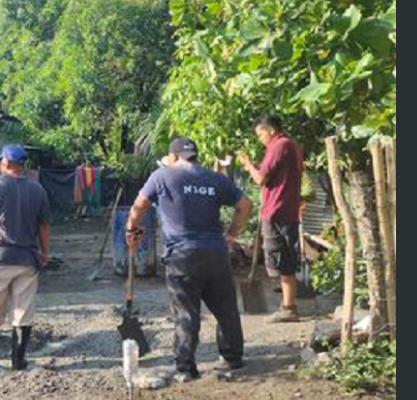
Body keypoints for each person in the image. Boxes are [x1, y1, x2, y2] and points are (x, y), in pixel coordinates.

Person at [127, 138, 252, 381]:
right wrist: (230, 235)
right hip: (216, 252)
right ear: (194, 155)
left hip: (182, 255)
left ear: (173, 157)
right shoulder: (216, 179)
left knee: (186, 312)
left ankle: (186, 368)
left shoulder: (162, 176)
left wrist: (131, 229)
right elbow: (245, 204)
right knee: (226, 309)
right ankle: (233, 359)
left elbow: (139, 205)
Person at [0, 144, 52, 372]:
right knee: (22, 311)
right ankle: (18, 360)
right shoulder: (38, 190)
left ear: (6, 163)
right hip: (27, 259)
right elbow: (44, 226)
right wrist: (44, 253)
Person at [238, 115, 304, 323]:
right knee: (284, 258)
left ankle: (288, 308)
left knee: (281, 259)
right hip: (283, 208)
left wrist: (248, 164)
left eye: (260, 134)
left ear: (271, 130)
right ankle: (287, 305)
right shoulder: (287, 144)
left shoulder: (279, 145)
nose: (260, 138)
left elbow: (260, 179)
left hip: (278, 210)